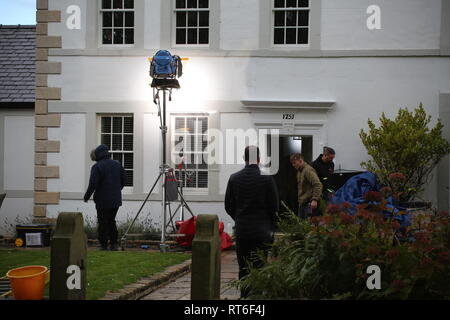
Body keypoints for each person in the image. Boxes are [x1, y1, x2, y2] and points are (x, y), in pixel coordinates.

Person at [225, 146, 279, 298]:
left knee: (243, 266)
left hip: (243, 229)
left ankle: (245, 295)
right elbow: (274, 206)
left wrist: (239, 217)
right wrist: (269, 224)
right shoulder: (267, 178)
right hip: (262, 230)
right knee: (260, 265)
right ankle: (258, 296)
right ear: (260, 159)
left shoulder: (234, 178)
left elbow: (228, 205)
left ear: (244, 158)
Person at [84, 144, 126, 251]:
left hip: (102, 199)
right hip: (115, 199)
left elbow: (93, 184)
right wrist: (116, 190)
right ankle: (114, 244)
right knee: (111, 221)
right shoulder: (117, 164)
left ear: (98, 155)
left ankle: (104, 245)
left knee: (102, 222)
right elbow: (124, 180)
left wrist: (86, 196)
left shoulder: (97, 167)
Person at [290, 153, 323, 219]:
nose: (293, 165)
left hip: (309, 204)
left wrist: (315, 199)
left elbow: (318, 184)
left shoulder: (308, 170)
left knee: (309, 226)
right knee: (302, 226)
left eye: (294, 163)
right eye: (292, 163)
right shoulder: (299, 171)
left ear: (300, 161)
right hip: (303, 203)